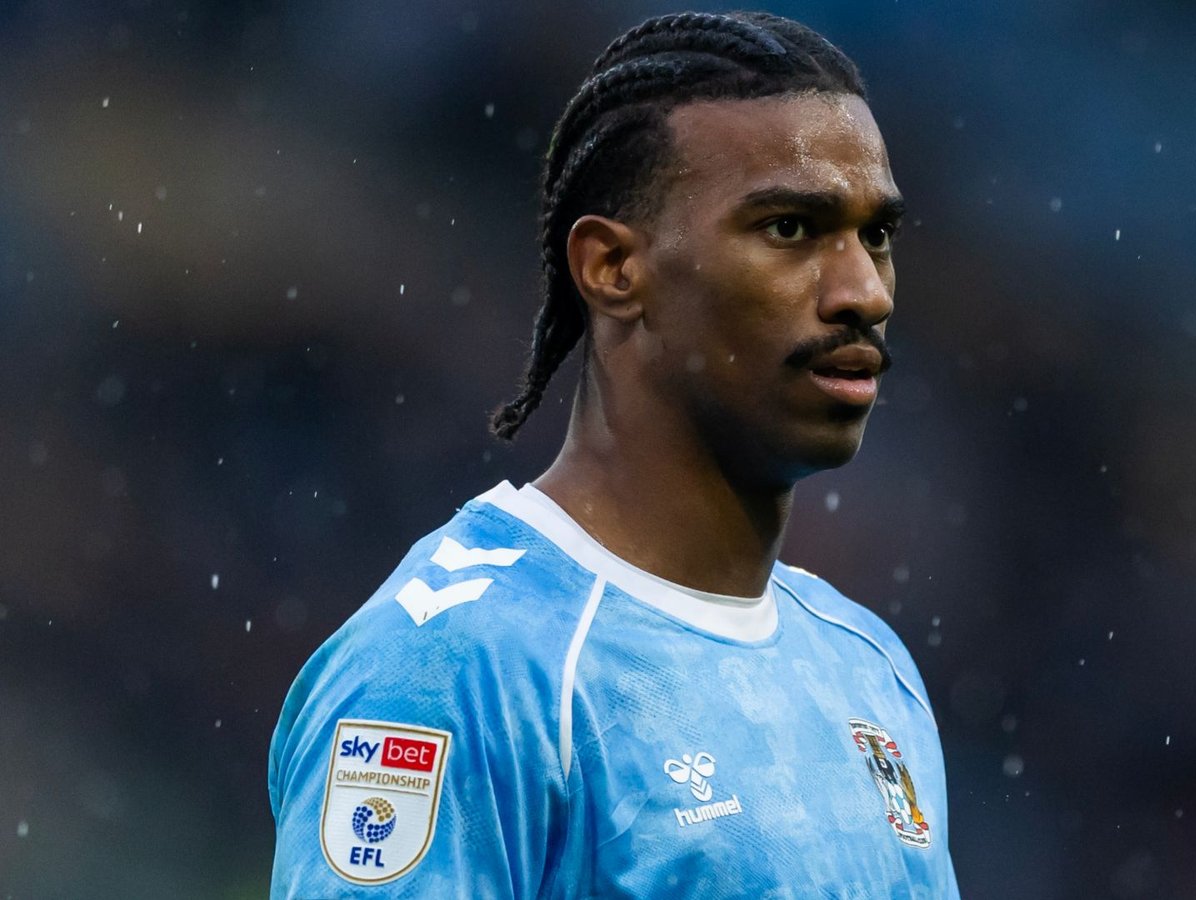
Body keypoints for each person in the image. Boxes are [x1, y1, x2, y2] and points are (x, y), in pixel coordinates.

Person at [268, 10, 957, 897]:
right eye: (789, 228)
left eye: (877, 237)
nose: (862, 290)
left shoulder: (869, 668)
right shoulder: (451, 669)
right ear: (612, 268)